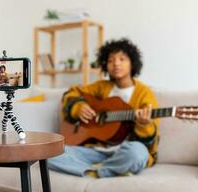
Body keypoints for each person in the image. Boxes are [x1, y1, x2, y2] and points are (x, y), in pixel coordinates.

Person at [47, 38, 159, 178]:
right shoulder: (101, 87)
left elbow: (150, 139)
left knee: (137, 153)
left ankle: (95, 172)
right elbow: (72, 93)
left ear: (132, 63)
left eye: (122, 59)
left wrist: (144, 124)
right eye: (111, 60)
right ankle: (113, 170)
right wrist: (78, 107)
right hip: (93, 151)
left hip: (125, 151)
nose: (116, 63)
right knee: (49, 152)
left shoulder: (144, 93)